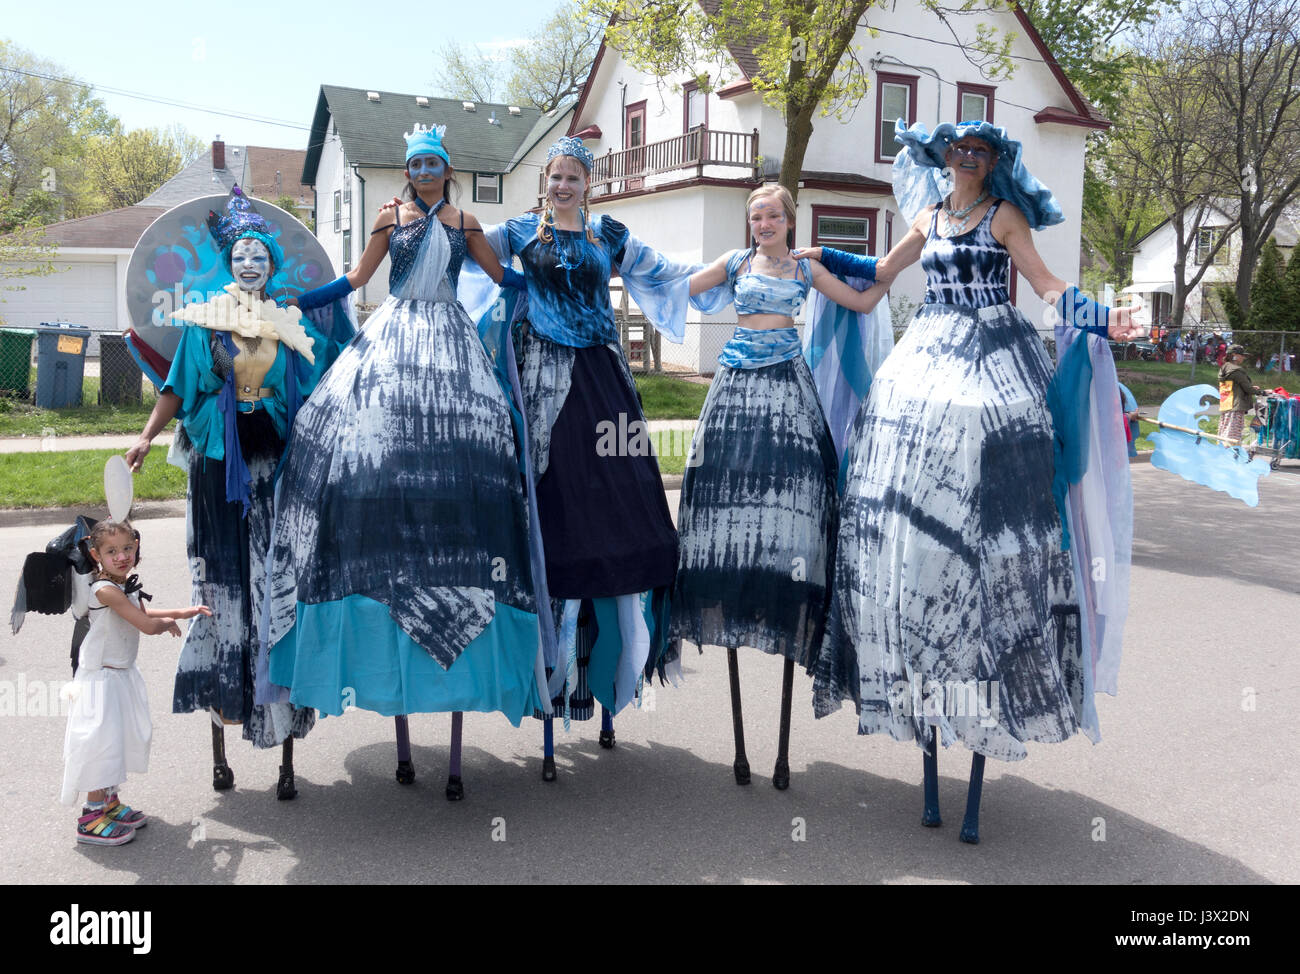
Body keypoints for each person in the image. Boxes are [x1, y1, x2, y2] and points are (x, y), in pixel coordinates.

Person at [798, 119, 1144, 842]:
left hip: (993, 353)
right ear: (943, 157)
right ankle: (920, 620)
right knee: (897, 471)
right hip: (927, 351)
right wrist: (816, 257)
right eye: (958, 150)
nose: (967, 160)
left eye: (980, 152)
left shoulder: (1003, 215)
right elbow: (880, 280)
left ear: (993, 163)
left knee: (991, 455)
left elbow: (1047, 286)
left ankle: (991, 630)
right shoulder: (926, 214)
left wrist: (1106, 316)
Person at [264, 124, 544, 797]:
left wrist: (546, 277)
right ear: (408, 170)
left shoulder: (468, 220)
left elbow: (506, 281)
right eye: (414, 162)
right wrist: (297, 302)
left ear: (448, 169)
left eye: (433, 163)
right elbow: (356, 280)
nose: (422, 171)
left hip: (451, 337)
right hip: (392, 335)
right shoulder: (390, 218)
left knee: (474, 451)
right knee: (337, 435)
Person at [474, 135, 700, 777]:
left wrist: (746, 265)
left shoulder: (609, 233)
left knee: (621, 501)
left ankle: (616, 659)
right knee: (553, 505)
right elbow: (468, 248)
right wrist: (420, 215)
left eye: (574, 176)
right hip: (541, 377)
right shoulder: (520, 231)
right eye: (556, 177)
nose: (564, 185)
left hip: (604, 380)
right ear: (544, 182)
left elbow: (666, 273)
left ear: (588, 183)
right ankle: (550, 667)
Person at [125, 187, 351, 798]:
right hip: (219, 471)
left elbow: (325, 380)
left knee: (276, 590)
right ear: (230, 265)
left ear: (273, 266)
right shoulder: (204, 324)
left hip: (274, 467)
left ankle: (284, 746)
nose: (251, 262)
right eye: (241, 254)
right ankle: (222, 727)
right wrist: (146, 438)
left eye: (260, 254)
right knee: (223, 592)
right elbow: (175, 389)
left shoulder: (288, 324)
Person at [671, 183, 881, 789]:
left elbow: (864, 302)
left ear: (790, 221)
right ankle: (728, 603)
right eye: (754, 215)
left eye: (771, 215)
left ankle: (791, 628)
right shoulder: (734, 264)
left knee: (799, 517)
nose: (762, 223)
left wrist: (904, 264)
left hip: (789, 390)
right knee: (716, 508)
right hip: (733, 391)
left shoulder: (807, 268)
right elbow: (677, 285)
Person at [62, 520, 210, 845]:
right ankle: (91, 817)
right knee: (101, 746)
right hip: (101, 681)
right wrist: (165, 624)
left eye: (127, 548)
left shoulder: (122, 584)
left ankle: (110, 804)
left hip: (120, 675)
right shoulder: (104, 589)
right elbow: (144, 622)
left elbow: (142, 609)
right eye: (112, 551)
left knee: (118, 741)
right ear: (95, 554)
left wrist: (183, 612)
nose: (122, 556)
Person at [1218, 343, 1265, 444]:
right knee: (1233, 436)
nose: (1243, 357)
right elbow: (1248, 389)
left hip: (1226, 403)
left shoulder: (1224, 367)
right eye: (1242, 355)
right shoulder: (1236, 370)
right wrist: (1262, 392)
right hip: (1236, 406)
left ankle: (1221, 452)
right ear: (1234, 355)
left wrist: (1251, 387)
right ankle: (1230, 455)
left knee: (1225, 431)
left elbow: (1234, 386)